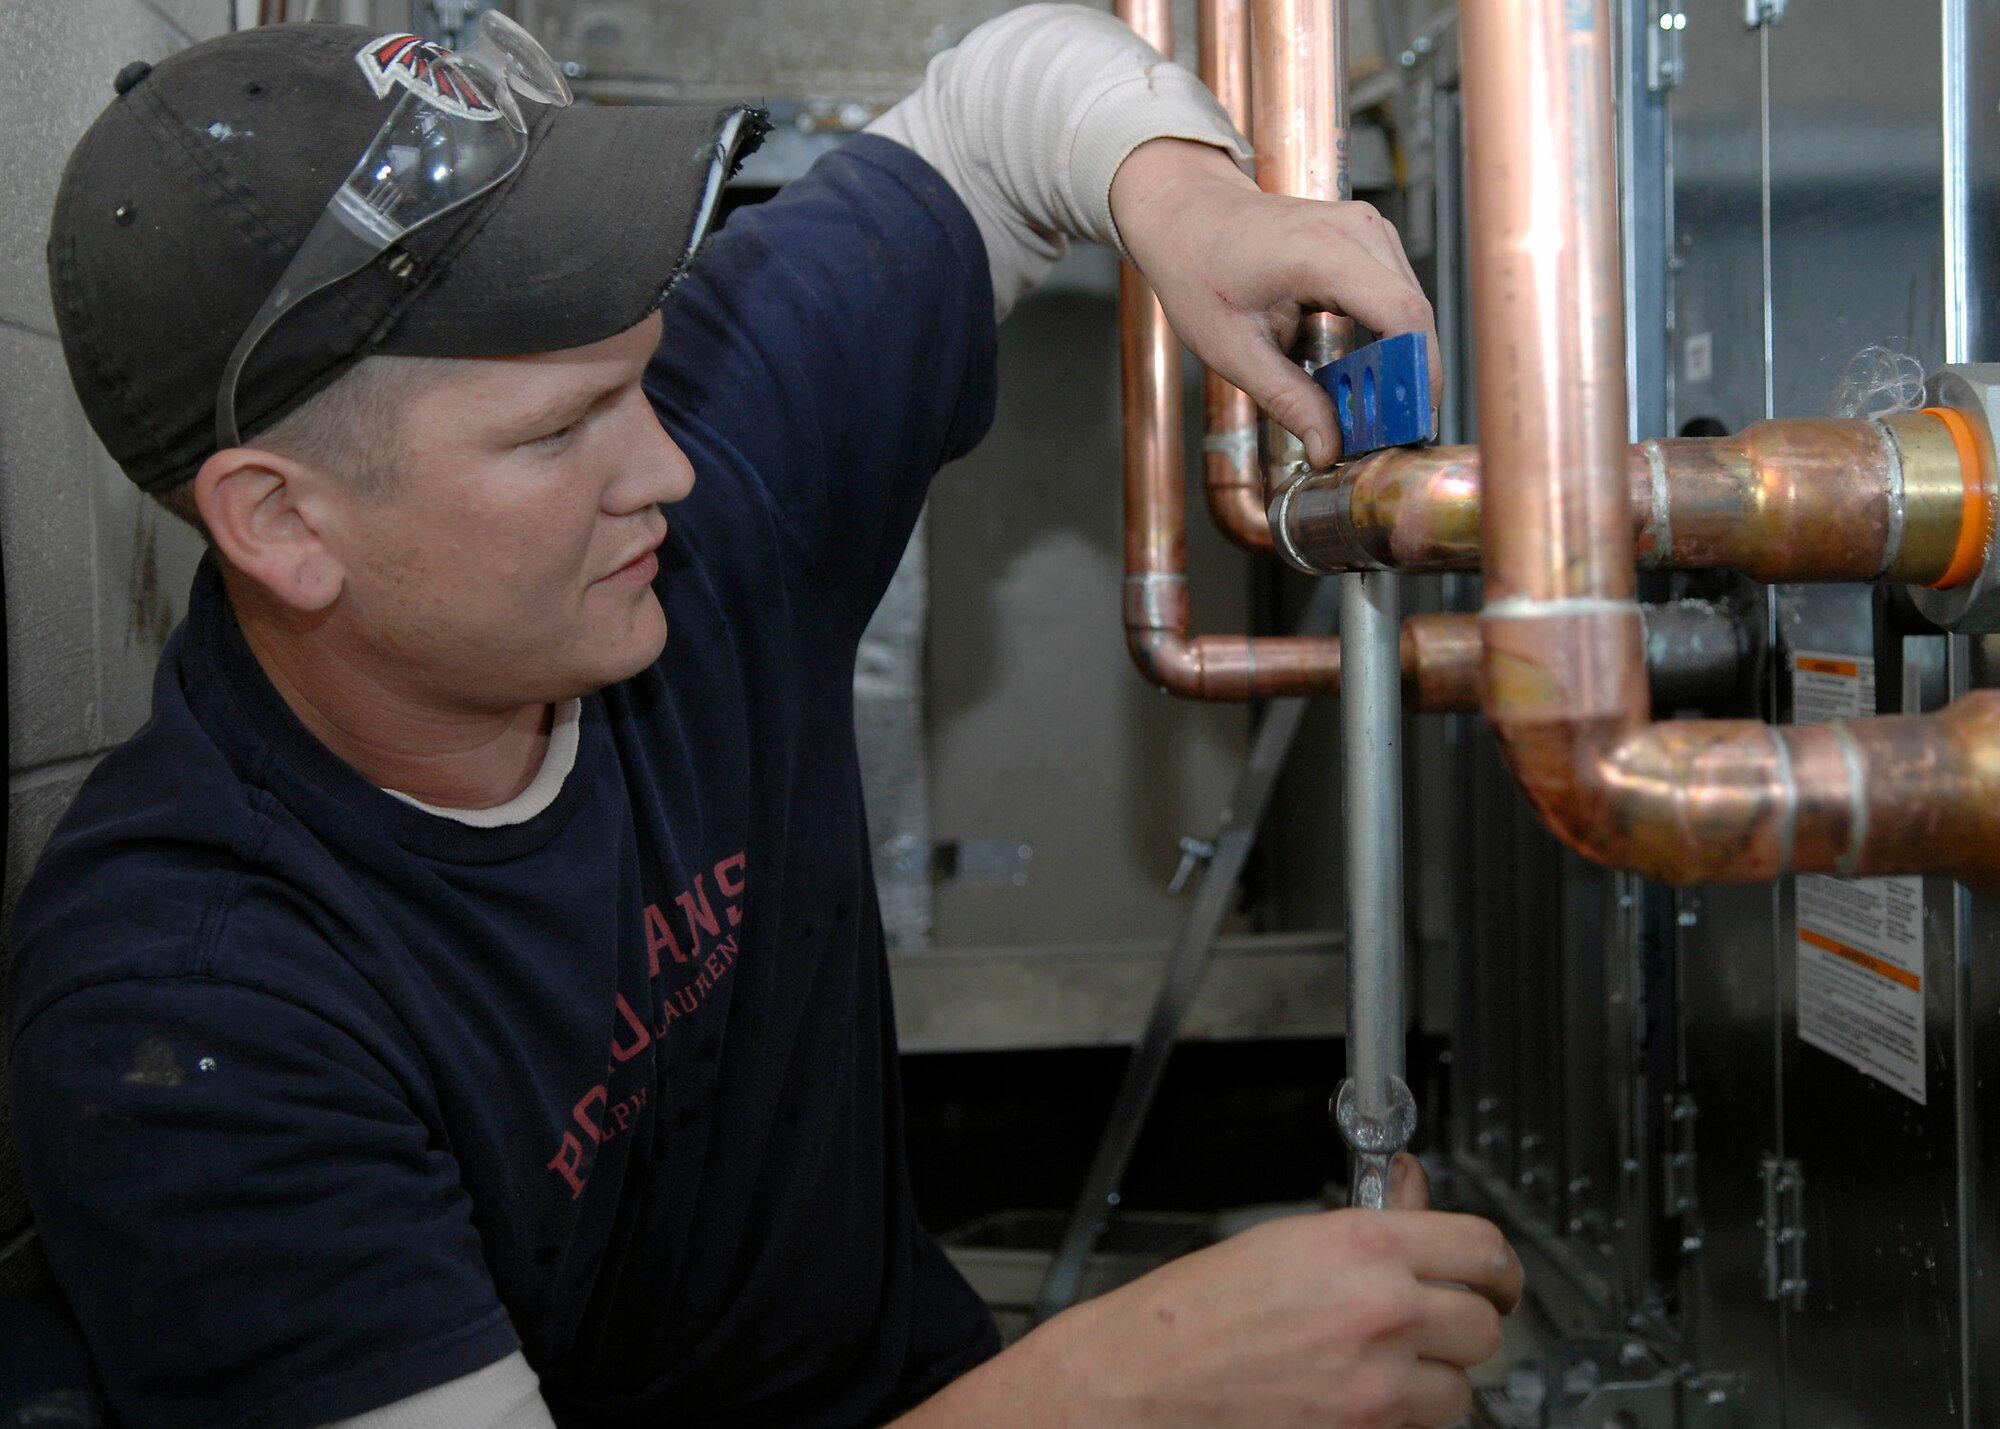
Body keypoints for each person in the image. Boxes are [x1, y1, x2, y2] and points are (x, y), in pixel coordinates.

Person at [8, 6, 1521, 1427]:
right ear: (283, 524)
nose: (665, 468)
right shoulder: (187, 1018)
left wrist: (1198, 206)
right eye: (554, 432)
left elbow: (1002, 106)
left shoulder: (687, 514)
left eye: (643, 376)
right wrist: (1127, 1387)